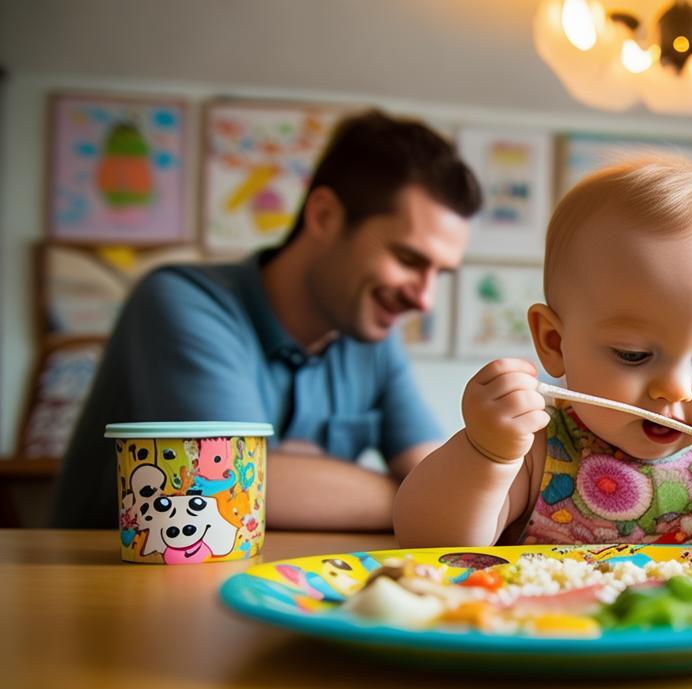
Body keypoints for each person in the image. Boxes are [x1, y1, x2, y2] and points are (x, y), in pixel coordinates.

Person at [394, 157, 692, 554]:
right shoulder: (536, 444)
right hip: (553, 640)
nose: (676, 387)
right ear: (555, 343)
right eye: (633, 355)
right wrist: (485, 455)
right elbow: (431, 543)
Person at [53, 109, 482, 530]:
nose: (425, 300)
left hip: (279, 586)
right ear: (324, 216)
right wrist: (416, 497)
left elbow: (449, 481)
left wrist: (424, 491)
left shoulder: (373, 335)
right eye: (408, 259)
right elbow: (223, 489)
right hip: (111, 588)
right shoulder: (181, 300)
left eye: (440, 275)